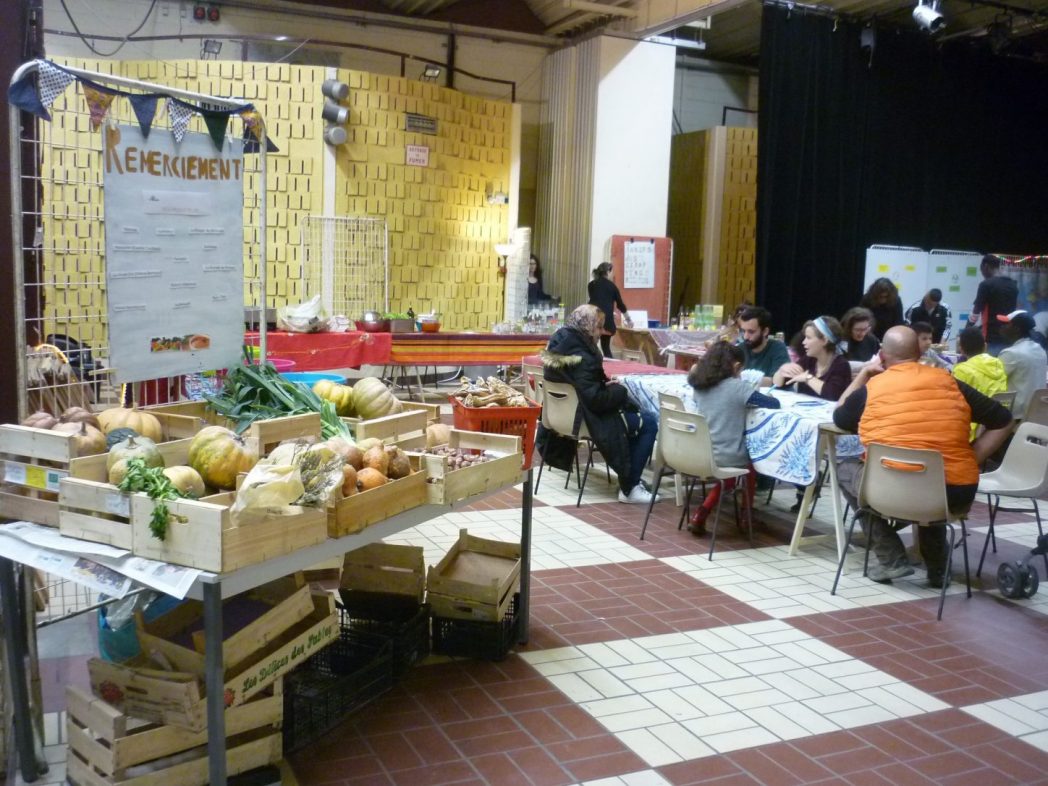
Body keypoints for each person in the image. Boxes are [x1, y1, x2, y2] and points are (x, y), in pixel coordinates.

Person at [833, 326, 1013, 586]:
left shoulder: (873, 388)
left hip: (889, 491)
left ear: (882, 355)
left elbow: (839, 416)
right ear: (920, 352)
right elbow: (1004, 420)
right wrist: (972, 457)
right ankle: (938, 568)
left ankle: (891, 558)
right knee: (931, 482)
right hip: (954, 492)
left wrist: (863, 374)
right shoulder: (950, 382)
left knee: (845, 469)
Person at [540, 304, 657, 504]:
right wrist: (619, 391)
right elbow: (596, 400)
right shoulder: (584, 355)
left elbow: (584, 386)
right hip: (588, 419)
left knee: (633, 419)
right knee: (647, 421)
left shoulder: (559, 344)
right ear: (589, 327)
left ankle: (629, 479)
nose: (601, 332)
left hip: (564, 419)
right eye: (599, 327)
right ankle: (630, 487)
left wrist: (603, 384)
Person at [684, 342, 780, 535]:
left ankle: (701, 513)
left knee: (732, 472)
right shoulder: (738, 388)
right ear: (736, 367)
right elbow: (773, 403)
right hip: (726, 456)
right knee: (750, 464)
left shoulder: (699, 385)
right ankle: (746, 515)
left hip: (700, 453)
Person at [772, 316, 852, 401]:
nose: (803, 342)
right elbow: (780, 384)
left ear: (824, 340)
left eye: (808, 338)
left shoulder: (841, 365)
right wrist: (781, 371)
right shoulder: (809, 360)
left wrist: (808, 378)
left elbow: (833, 394)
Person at [952, 326, 1008, 439]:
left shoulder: (962, 370)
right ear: (985, 346)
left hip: (971, 428)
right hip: (997, 423)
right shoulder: (998, 364)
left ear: (961, 349)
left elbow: (954, 403)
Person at [998, 310, 1048, 419]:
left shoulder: (1011, 354)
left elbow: (993, 381)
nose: (1001, 327)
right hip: (1037, 413)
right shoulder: (1040, 350)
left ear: (1016, 329)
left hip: (1014, 416)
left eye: (1006, 324)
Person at [968, 254, 1018, 356]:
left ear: (985, 266)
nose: (982, 273)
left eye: (981, 270)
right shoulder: (1013, 285)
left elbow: (976, 312)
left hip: (991, 337)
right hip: (1009, 337)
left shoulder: (986, 284)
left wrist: (967, 328)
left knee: (989, 368)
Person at [587, 262, 631, 357]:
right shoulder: (612, 287)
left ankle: (593, 364)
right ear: (608, 272)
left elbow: (597, 301)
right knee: (606, 348)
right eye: (612, 272)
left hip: (592, 319)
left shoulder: (591, 285)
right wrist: (629, 319)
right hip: (607, 322)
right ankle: (609, 366)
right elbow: (620, 305)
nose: (613, 274)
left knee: (591, 346)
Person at [737, 306, 790, 386]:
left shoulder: (778, 348)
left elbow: (775, 382)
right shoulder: (740, 349)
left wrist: (744, 378)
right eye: (743, 331)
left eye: (751, 332)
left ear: (765, 331)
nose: (745, 337)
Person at [860, 278, 904, 342]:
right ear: (875, 295)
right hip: (870, 336)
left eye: (886, 297)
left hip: (890, 336)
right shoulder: (867, 299)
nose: (883, 300)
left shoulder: (896, 300)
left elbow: (899, 322)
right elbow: (861, 319)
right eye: (880, 297)